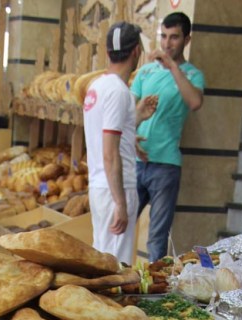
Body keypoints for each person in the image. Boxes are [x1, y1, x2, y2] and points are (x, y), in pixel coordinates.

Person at [132, 11, 204, 262]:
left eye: (174, 37)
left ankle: (154, 284)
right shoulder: (145, 72)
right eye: (163, 36)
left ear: (187, 40)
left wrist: (172, 66)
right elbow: (127, 113)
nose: (167, 43)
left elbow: (195, 102)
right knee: (121, 226)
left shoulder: (192, 75)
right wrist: (131, 135)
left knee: (157, 237)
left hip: (166, 165)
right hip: (136, 161)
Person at [83, 22, 157, 265]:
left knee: (102, 259)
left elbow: (105, 135)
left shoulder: (97, 87)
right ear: (136, 51)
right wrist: (121, 203)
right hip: (115, 188)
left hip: (100, 186)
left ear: (107, 53)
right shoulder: (118, 91)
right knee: (116, 266)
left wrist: (136, 117)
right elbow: (110, 153)